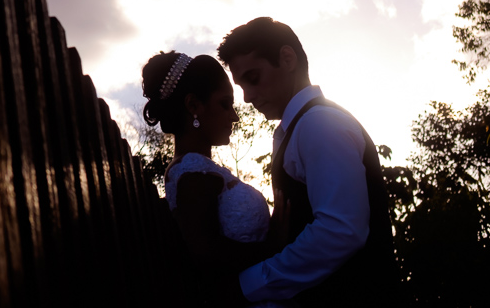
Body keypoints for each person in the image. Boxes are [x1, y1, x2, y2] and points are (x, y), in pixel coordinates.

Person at [217, 17, 397, 307]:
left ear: (287, 59)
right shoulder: (300, 127)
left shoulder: (319, 123)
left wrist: (247, 286)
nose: (247, 97)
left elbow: (340, 231)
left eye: (253, 78)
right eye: (241, 86)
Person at [141, 51, 285, 308]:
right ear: (193, 106)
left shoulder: (203, 170)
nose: (234, 116)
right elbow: (206, 254)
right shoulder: (192, 173)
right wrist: (278, 246)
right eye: (224, 103)